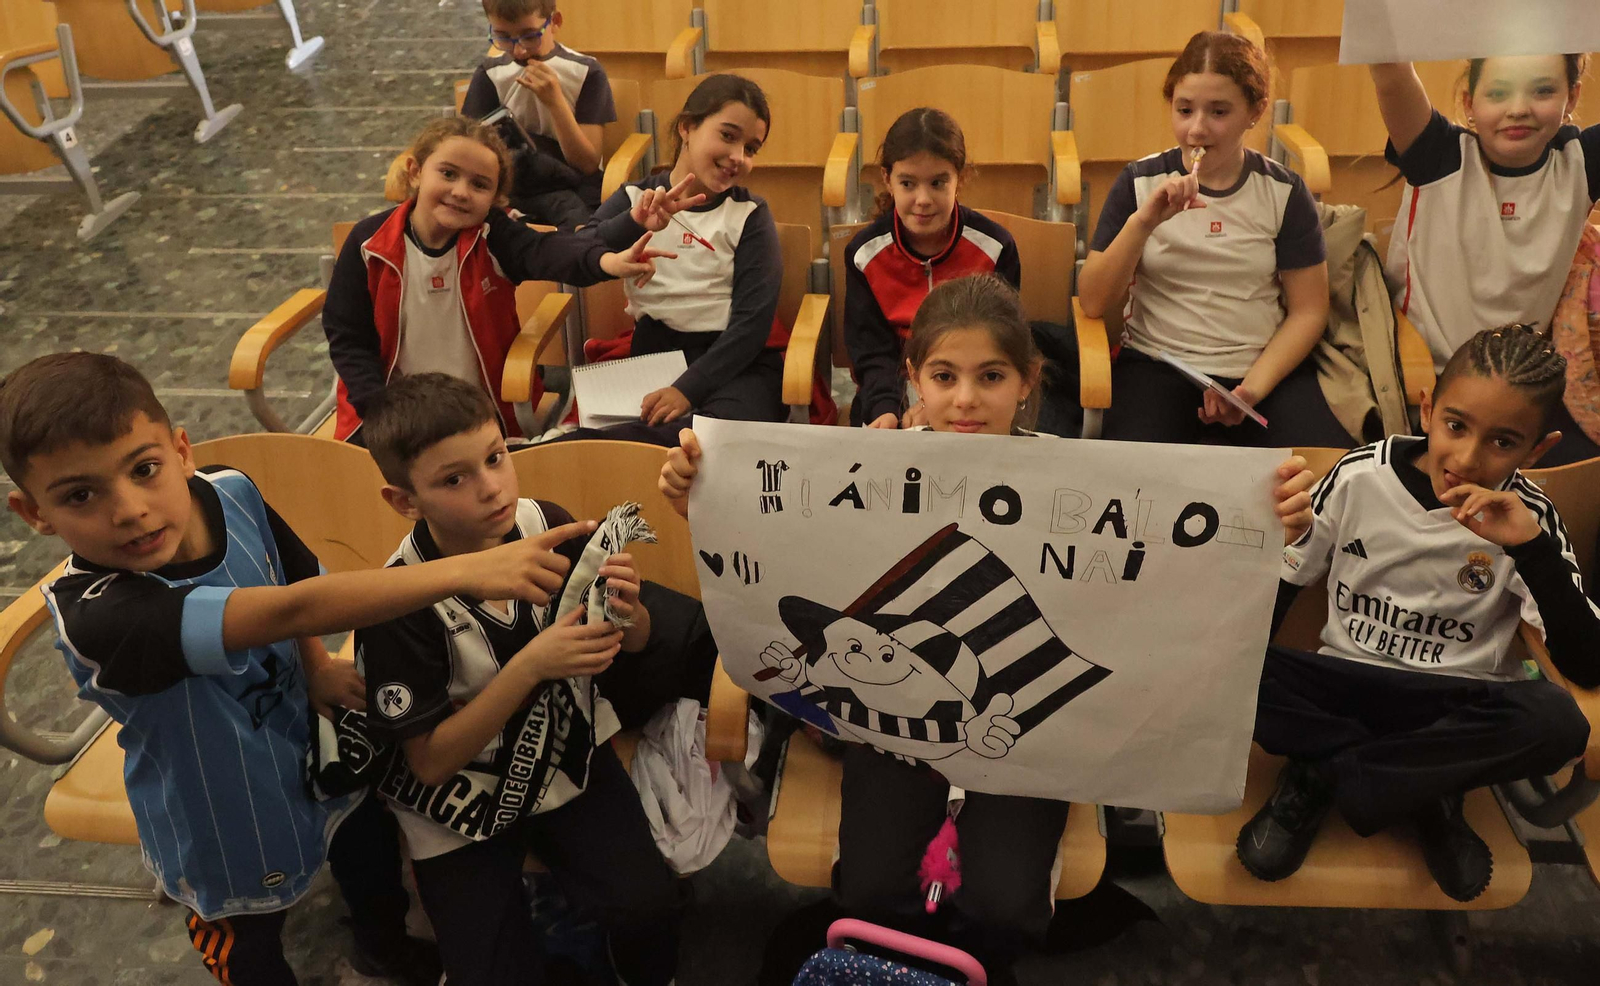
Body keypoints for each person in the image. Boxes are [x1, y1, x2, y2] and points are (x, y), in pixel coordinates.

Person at [658, 275, 1317, 984]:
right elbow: (775, 550)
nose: (966, 399)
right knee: (873, 893)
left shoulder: (1083, 481)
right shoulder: (853, 470)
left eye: (990, 376)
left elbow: (1171, 585)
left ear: (1029, 382)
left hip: (1030, 735)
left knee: (1006, 906)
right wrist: (699, 492)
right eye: (944, 376)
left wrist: (1271, 524)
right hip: (892, 731)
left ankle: (972, 961)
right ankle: (898, 961)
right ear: (912, 378)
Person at [0, 352, 589, 986]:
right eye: (80, 494)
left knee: (367, 862)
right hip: (222, 815)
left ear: (181, 450)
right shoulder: (99, 616)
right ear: (34, 514)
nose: (129, 510)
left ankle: (383, 949)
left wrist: (314, 664)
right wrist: (468, 569)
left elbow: (293, 570)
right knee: (249, 943)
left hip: (316, 751)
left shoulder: (229, 489)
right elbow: (291, 606)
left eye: (144, 470)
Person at [356, 372, 718, 986]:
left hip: (564, 755)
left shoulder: (542, 522)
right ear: (404, 501)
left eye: (496, 457)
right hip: (458, 804)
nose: (491, 487)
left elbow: (635, 643)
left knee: (648, 907)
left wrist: (630, 614)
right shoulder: (398, 603)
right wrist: (531, 666)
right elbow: (431, 764)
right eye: (454, 479)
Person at [1237, 324, 1600, 903]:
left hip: (1448, 708)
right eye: (1455, 426)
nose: (1467, 458)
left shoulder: (1531, 518)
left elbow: (1588, 664)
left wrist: (1529, 548)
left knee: (1558, 720)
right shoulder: (1358, 477)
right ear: (1427, 407)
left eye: (1504, 443)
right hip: (1344, 685)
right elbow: (1269, 601)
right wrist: (1276, 542)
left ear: (1538, 450)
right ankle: (1418, 787)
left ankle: (1331, 773)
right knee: (1216, 658)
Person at [322, 115, 681, 445]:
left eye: (479, 185)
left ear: (495, 200)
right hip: (387, 414)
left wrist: (607, 262)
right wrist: (378, 410)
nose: (461, 191)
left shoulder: (493, 236)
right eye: (448, 174)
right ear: (415, 172)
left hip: (478, 417)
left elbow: (550, 251)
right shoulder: (369, 244)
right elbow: (347, 335)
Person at [1079, 30, 1350, 448]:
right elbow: (1094, 300)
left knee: (1319, 468)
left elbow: (1309, 311)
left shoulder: (1283, 191)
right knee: (1136, 478)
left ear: (1254, 112)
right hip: (1159, 364)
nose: (1197, 130)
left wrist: (1250, 391)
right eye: (1184, 110)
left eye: (1218, 112)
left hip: (1260, 371)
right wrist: (1144, 222)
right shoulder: (1139, 181)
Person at [1373, 54, 1600, 463]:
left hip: (1523, 387)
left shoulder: (1581, 162)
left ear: (1572, 96)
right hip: (1422, 377)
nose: (1518, 108)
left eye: (1543, 90)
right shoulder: (1437, 153)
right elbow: (1390, 73)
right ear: (1469, 102)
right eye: (1497, 92)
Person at [574, 73, 783, 445]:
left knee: (712, 441)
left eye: (751, 149)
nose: (738, 157)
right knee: (610, 447)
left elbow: (752, 325)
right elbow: (580, 250)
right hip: (655, 355)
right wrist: (631, 225)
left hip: (733, 361)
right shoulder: (636, 198)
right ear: (687, 128)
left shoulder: (750, 214)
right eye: (728, 136)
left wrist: (687, 389)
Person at [843, 107, 1020, 429]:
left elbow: (1001, 340)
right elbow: (871, 350)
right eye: (908, 183)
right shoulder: (864, 253)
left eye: (938, 183)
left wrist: (937, 400)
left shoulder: (995, 246)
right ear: (887, 179)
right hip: (890, 389)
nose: (923, 199)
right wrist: (887, 409)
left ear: (960, 178)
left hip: (969, 383)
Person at [462, 0, 614, 228]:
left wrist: (556, 103)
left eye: (530, 36)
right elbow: (469, 146)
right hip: (511, 182)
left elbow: (587, 165)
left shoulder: (586, 71)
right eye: (503, 37)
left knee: (578, 224)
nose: (519, 50)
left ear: (555, 22)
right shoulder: (490, 72)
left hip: (571, 184)